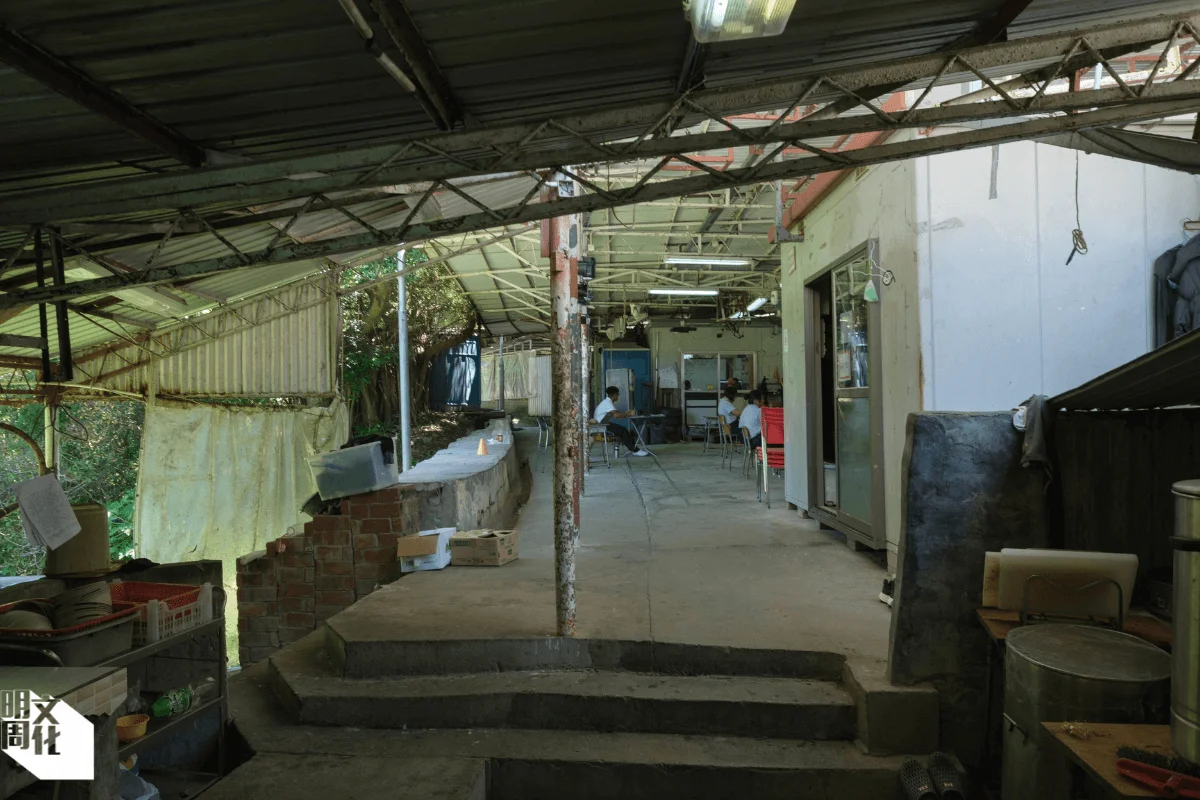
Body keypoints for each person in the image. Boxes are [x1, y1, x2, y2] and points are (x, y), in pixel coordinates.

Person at [592, 386, 649, 457]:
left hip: (602, 424)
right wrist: (628, 414)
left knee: (621, 430)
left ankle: (633, 448)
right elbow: (616, 415)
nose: (618, 397)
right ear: (615, 395)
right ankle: (635, 450)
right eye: (618, 395)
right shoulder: (607, 402)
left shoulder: (606, 402)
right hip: (601, 426)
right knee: (623, 430)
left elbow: (615, 412)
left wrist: (626, 413)